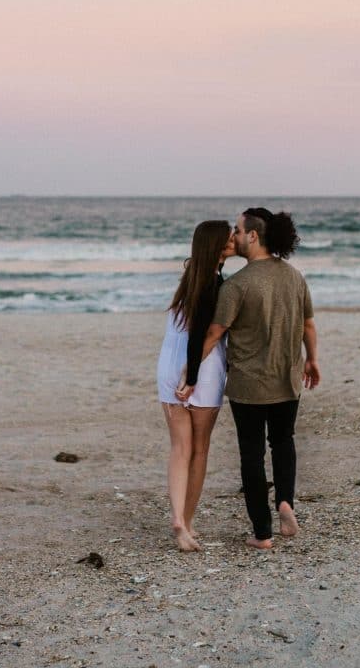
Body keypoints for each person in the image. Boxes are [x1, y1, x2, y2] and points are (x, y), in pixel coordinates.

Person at [177, 207, 320, 549]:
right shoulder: (294, 277)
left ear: (253, 236)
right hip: (287, 381)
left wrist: (190, 371)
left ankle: (263, 534)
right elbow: (308, 324)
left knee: (252, 456)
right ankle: (285, 500)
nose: (235, 237)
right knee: (283, 443)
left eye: (238, 231)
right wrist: (312, 359)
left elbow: (213, 333)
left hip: (248, 387)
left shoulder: (237, 285)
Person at [156, 220, 235, 552]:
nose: (234, 241)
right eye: (229, 238)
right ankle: (186, 521)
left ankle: (176, 517)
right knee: (199, 450)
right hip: (202, 368)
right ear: (217, 245)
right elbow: (202, 333)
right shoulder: (214, 284)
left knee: (179, 449)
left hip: (167, 365)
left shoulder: (189, 277)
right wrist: (191, 378)